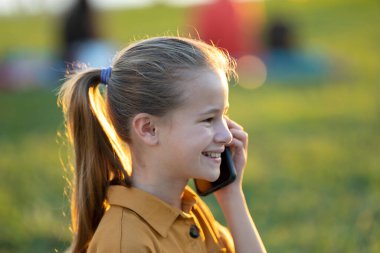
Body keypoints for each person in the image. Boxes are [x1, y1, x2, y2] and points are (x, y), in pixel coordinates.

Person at [58, 36, 266, 253]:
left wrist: (232, 195)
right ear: (149, 129)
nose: (227, 136)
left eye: (223, 115)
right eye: (208, 119)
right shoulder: (125, 242)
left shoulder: (189, 211)